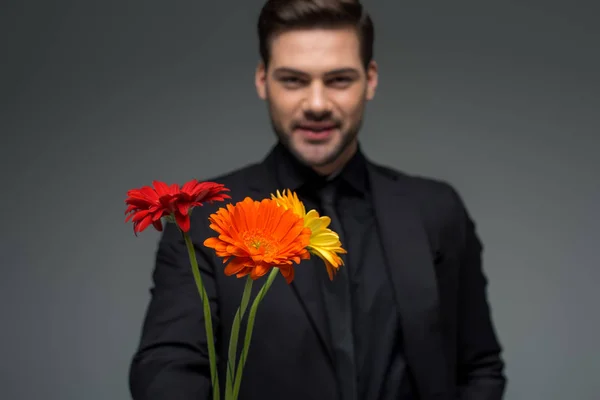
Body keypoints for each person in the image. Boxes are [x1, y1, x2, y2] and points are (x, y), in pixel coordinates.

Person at [128, 0, 507, 399]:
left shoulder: (436, 210)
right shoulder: (205, 217)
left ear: (371, 79)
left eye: (339, 79)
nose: (317, 105)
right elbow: (165, 374)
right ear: (262, 80)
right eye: (293, 80)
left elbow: (479, 367)